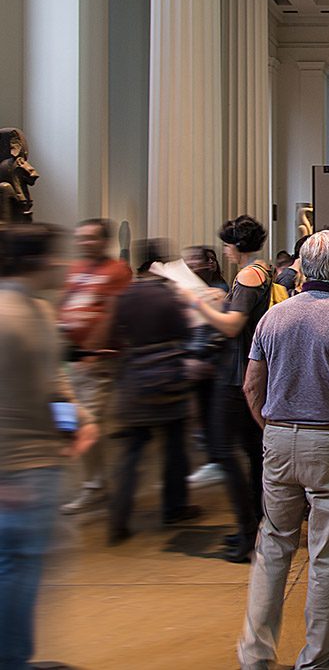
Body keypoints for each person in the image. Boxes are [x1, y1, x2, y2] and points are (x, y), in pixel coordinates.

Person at [238, 230, 329, 670]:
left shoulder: (273, 318)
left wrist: (272, 426)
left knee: (273, 548)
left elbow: (250, 386)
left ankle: (254, 657)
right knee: (325, 558)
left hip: (278, 439)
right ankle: (316, 660)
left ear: (301, 267)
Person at [0, 224, 98, 669]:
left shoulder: (36, 310)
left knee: (22, 568)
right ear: (34, 262)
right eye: (56, 256)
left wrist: (73, 421)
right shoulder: (13, 316)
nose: (63, 264)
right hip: (18, 473)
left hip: (34, 468)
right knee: (17, 570)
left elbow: (52, 383)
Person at [107, 241, 200, 544]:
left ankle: (118, 517)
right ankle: (174, 507)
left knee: (131, 454)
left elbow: (112, 335)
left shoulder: (124, 296)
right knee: (174, 448)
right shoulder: (168, 297)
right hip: (168, 380)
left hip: (134, 381)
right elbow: (186, 332)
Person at [193, 215, 272, 563]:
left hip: (234, 376)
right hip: (249, 372)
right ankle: (256, 526)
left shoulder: (247, 274)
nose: (224, 250)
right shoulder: (262, 269)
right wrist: (219, 297)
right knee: (253, 453)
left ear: (237, 245)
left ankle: (247, 533)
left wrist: (202, 306)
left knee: (226, 453)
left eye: (227, 243)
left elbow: (231, 326)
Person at [58, 217, 132, 514]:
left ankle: (96, 485)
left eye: (90, 237)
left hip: (100, 361)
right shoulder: (76, 270)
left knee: (86, 421)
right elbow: (67, 303)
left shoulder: (116, 271)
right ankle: (96, 481)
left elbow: (111, 314)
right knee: (76, 421)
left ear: (103, 241)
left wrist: (91, 352)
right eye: (81, 237)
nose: (85, 242)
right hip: (74, 359)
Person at [183, 246, 229, 489]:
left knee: (212, 414)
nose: (190, 264)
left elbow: (217, 328)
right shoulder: (191, 290)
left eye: (195, 260)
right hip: (197, 360)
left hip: (210, 363)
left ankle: (218, 458)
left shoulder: (218, 290)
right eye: (187, 259)